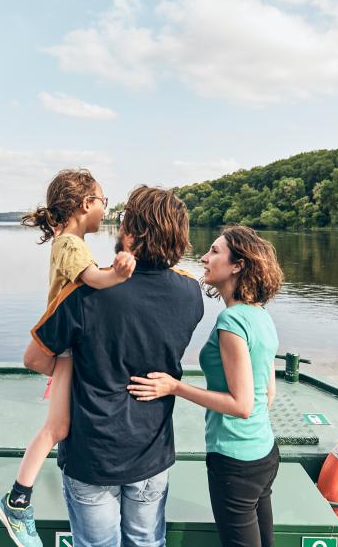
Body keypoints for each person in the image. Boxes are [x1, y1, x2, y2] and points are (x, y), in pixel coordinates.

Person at [23, 185, 204, 547]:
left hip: (93, 454)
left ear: (130, 234)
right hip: (151, 450)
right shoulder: (190, 293)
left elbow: (35, 359)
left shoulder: (87, 293)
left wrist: (78, 365)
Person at [0, 168, 136, 547]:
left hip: (66, 345)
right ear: (84, 204)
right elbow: (92, 280)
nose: (105, 209)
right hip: (68, 344)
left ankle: (19, 499)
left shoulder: (66, 241)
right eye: (103, 201)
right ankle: (17, 502)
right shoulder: (72, 245)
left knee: (58, 426)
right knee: (55, 429)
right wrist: (120, 273)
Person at [128, 225, 283, 547]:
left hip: (235, 459)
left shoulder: (232, 321)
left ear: (238, 265)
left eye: (214, 251)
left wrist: (174, 387)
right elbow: (267, 394)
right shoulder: (260, 316)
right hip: (264, 453)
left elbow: (242, 406)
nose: (204, 257)